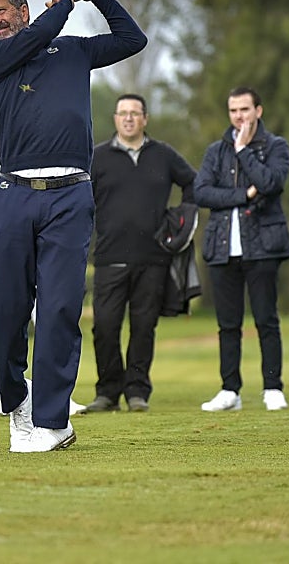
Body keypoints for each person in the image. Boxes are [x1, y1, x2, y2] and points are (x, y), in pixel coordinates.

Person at [0, 0, 145, 453]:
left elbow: (134, 40)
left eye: (2, 12)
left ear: (23, 10)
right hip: (15, 195)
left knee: (59, 310)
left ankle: (52, 421)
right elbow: (35, 38)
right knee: (6, 316)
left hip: (69, 197)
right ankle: (17, 403)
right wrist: (65, 5)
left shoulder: (71, 51)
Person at [0, 130, 87, 417]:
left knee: (50, 316)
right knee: (5, 322)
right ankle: (8, 396)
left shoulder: (44, 141)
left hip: (45, 238)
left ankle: (53, 396)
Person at [87, 94, 196, 413]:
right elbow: (81, 200)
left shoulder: (163, 155)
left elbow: (193, 183)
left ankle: (137, 392)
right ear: (115, 119)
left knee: (144, 326)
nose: (129, 118)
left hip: (153, 257)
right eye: (123, 113)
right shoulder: (98, 158)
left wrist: (181, 217)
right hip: (109, 257)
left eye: (135, 113)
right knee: (105, 326)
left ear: (145, 118)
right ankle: (107, 392)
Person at [193, 86, 289, 412]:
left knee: (266, 319)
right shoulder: (215, 151)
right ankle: (230, 390)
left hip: (263, 247)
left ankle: (273, 387)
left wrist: (245, 151)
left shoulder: (276, 146)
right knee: (228, 324)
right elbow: (203, 193)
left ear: (258, 111)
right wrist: (243, 195)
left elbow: (270, 184)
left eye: (245, 110)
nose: (239, 116)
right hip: (223, 248)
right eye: (234, 110)